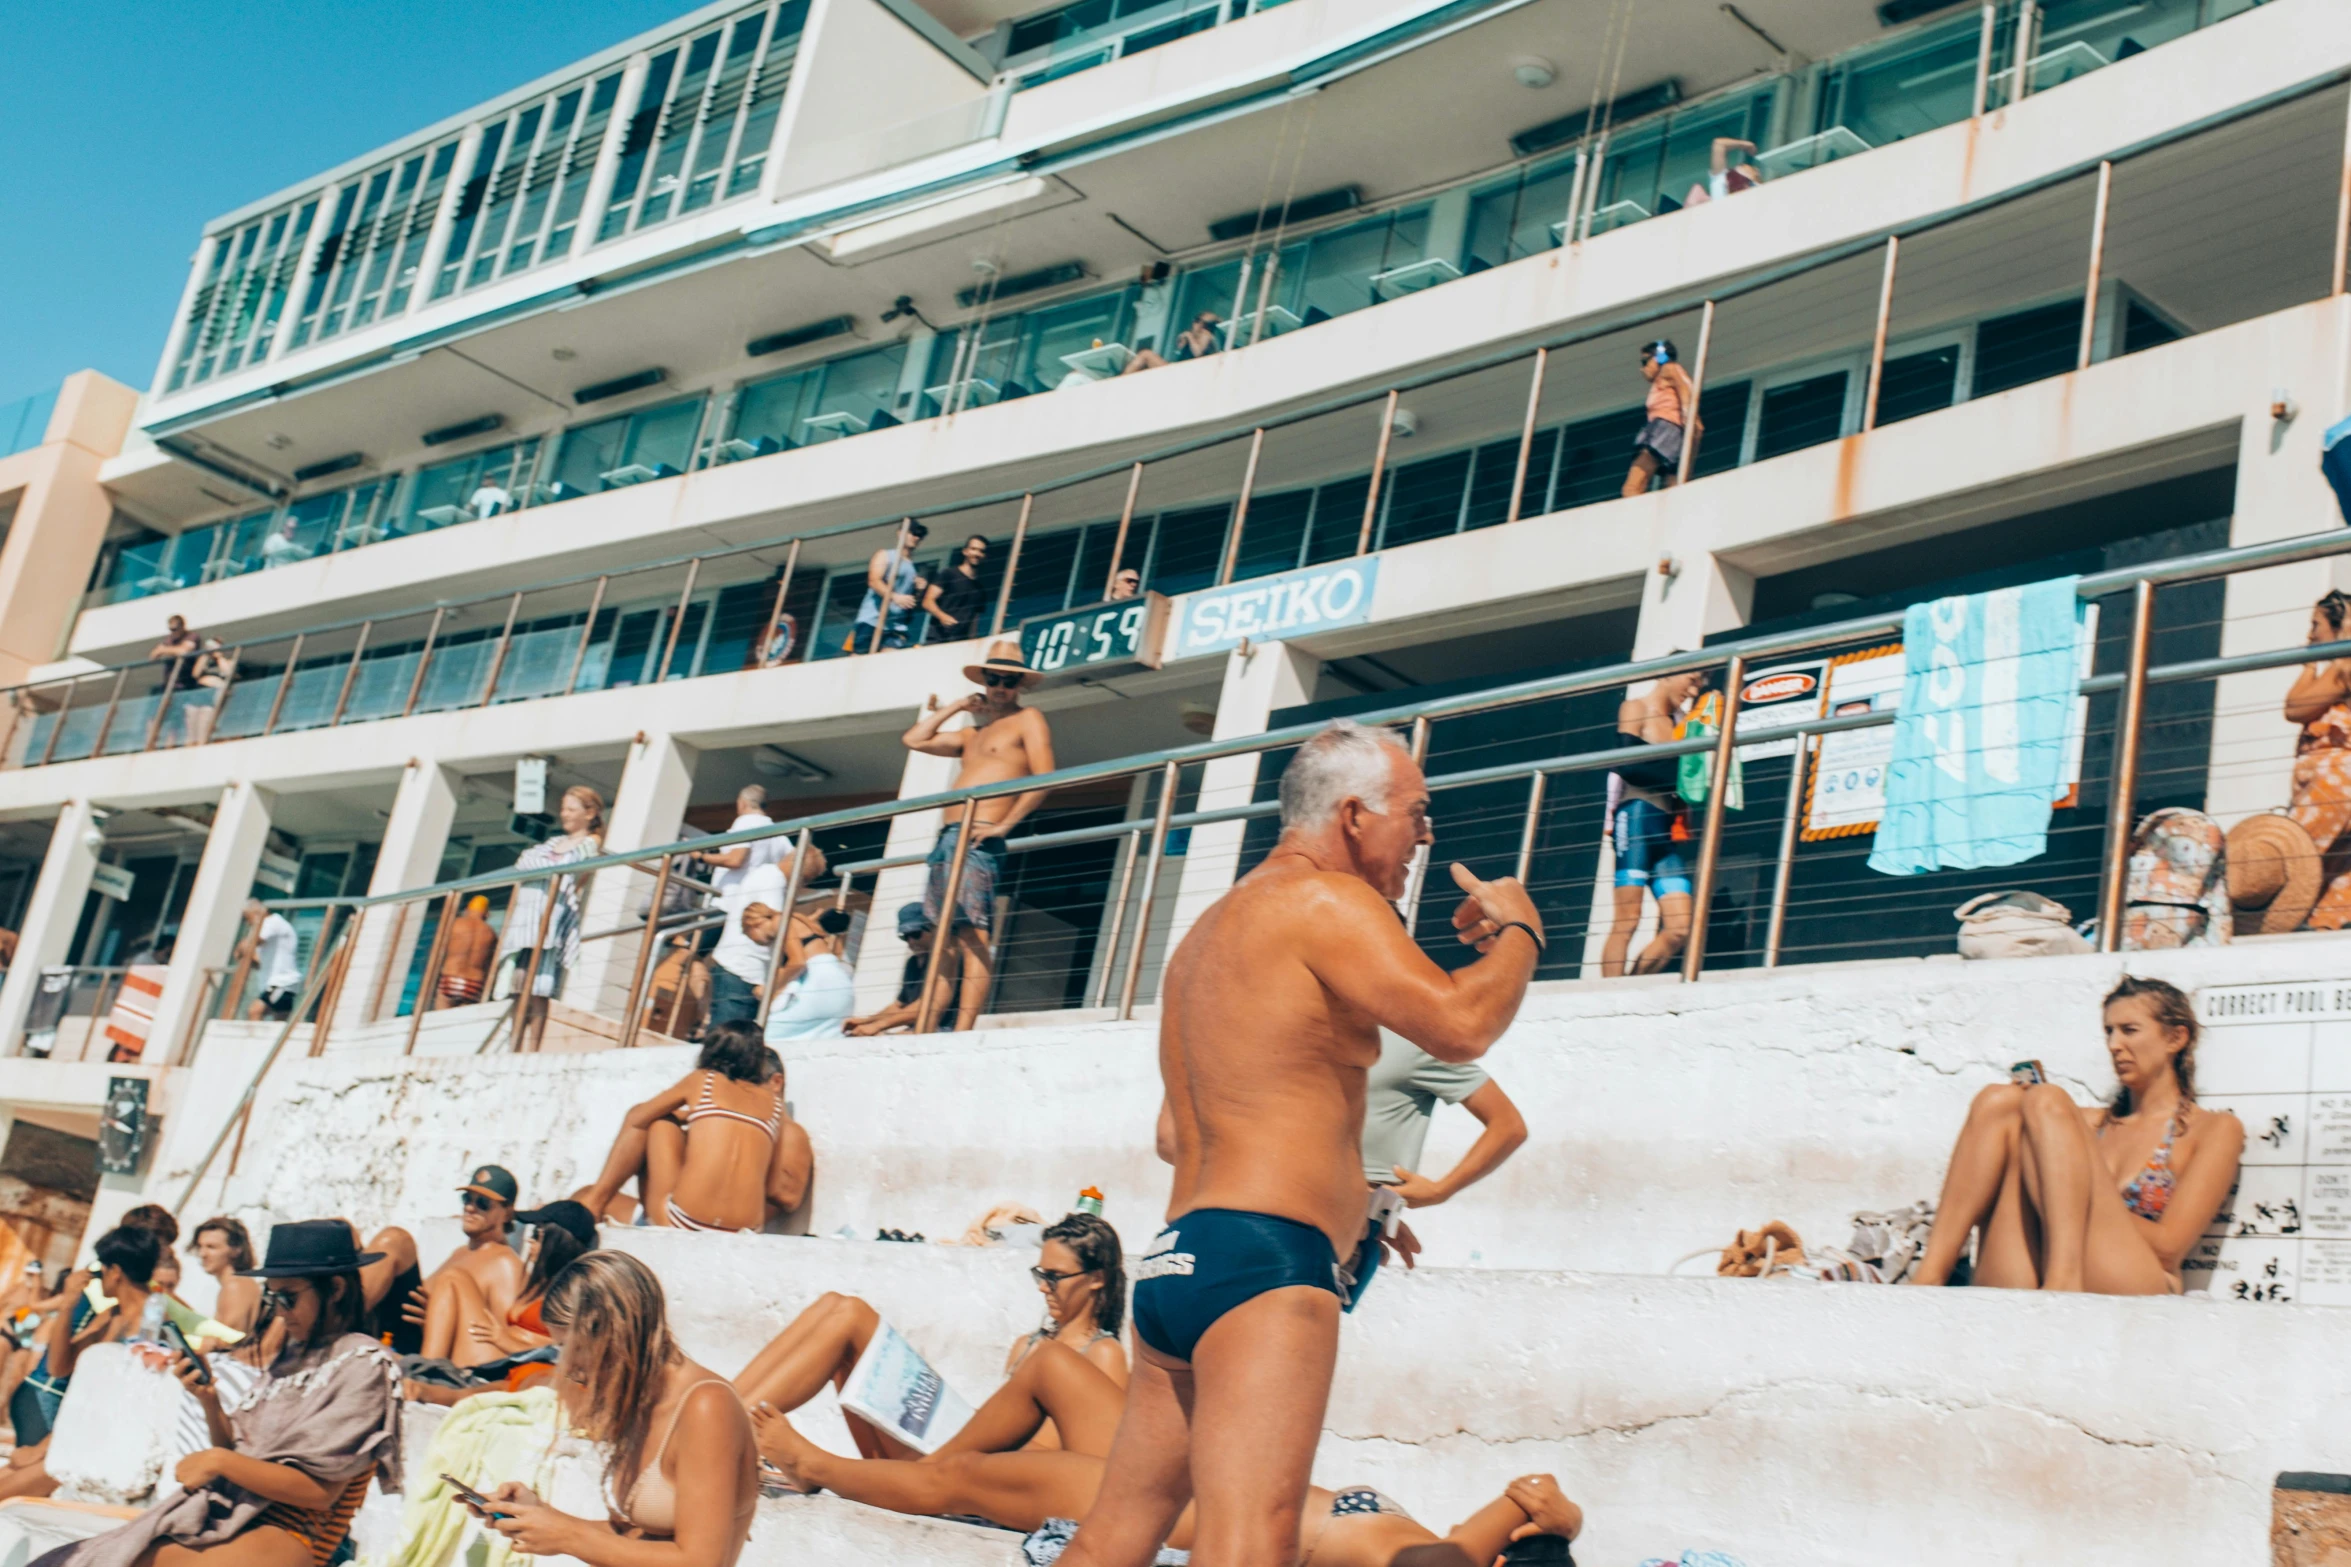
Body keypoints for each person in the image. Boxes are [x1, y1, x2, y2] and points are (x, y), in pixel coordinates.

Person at [1063, 719, 1540, 1567]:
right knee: (1250, 1543)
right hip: (1264, 1264)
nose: (1425, 836)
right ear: (1354, 814)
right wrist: (1519, 933)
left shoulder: (1206, 935)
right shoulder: (1329, 900)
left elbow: (1175, 1134)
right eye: (1417, 813)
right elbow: (1462, 1024)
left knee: (1113, 1533)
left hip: (1179, 1258)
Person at [758, 1390, 1583, 1567]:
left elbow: (1527, 1495)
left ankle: (813, 1462)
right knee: (1051, 1367)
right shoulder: (1460, 1553)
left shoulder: (1444, 1562)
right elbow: (1533, 1486)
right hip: (1210, 1468)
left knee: (969, 1480)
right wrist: (1565, 1517)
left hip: (1191, 1508)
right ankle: (886, 1467)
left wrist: (1554, 1518)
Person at [28, 1220, 405, 1567]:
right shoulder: (292, 1358)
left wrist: (219, 1464)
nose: (279, 1313)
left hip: (289, 1538)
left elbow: (318, 1491)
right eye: (272, 1300)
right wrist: (209, 1400)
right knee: (68, 1559)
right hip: (231, 1519)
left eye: (288, 1298)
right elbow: (238, 1450)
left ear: (335, 1289)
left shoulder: (364, 1364)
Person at [1910, 976, 2245, 1294]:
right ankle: (1929, 1276)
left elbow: (2170, 1247)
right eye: (2109, 1032)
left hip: (2144, 1279)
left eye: (2129, 1031)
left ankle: (2063, 1278)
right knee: (2000, 1101)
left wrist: (2076, 1197)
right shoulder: (2086, 1125)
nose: (2115, 1045)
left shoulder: (2214, 1129)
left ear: (2176, 1038)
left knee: (2046, 1099)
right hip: (2043, 1267)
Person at [735, 1211, 1126, 1459]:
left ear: (1095, 1280)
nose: (1043, 1288)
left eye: (1054, 1278)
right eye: (1040, 1275)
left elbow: (1096, 1461)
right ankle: (721, 1412)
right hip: (956, 1452)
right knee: (835, 1306)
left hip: (978, 1476)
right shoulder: (1026, 1346)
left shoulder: (1103, 1354)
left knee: (851, 1316)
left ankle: (721, 1431)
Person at [472, 1251, 757, 1567]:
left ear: (614, 1335)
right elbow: (643, 1538)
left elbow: (701, 1561)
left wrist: (567, 1536)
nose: (569, 1368)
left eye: (571, 1349)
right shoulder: (643, 1401)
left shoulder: (706, 1406)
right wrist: (542, 1518)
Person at [899, 643, 1058, 1030]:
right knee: (942, 941)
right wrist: (956, 707)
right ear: (983, 682)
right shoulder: (971, 734)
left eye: (1009, 680)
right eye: (994, 678)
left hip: (980, 840)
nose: (1001, 686)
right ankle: (926, 1027)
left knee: (973, 935)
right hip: (947, 839)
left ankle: (963, 1029)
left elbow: (1045, 779)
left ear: (1020, 684)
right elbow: (914, 740)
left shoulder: (1029, 719)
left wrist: (1005, 825)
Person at [577, 1021, 812, 1232]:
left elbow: (636, 1118)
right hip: (744, 1230)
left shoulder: (706, 1080)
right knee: (582, 1194)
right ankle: (591, 1201)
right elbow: (771, 1184)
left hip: (685, 1221)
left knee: (658, 1122)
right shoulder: (771, 1109)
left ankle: (594, 1204)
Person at [404, 1200, 596, 1386]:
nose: (530, 1240)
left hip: (508, 1365)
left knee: (453, 1278)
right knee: (454, 1279)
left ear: (558, 1241)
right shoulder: (540, 1285)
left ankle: (423, 1371)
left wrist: (504, 1341)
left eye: (537, 1234)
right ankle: (425, 1368)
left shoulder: (574, 1296)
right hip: (499, 1354)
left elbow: (563, 1353)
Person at [9, 1225, 161, 1448]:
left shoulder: (153, 1323)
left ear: (115, 1272)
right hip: (80, 1431)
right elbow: (59, 1366)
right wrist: (68, 1305)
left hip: (102, 1441)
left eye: (101, 1272)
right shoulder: (111, 1316)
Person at [1601, 666, 1709, 976]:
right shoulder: (1635, 707)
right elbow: (1628, 765)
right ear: (1668, 674)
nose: (1691, 693)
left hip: (1665, 827)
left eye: (1697, 687)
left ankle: (1632, 989)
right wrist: (1677, 776)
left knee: (1679, 928)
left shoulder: (1680, 724)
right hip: (1635, 817)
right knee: (1628, 919)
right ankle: (1609, 1000)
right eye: (1690, 682)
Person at [1364, 1030, 1528, 1218]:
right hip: (1333, 1211)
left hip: (1357, 1223)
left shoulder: (1414, 1044)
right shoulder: (1333, 1035)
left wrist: (1441, 1191)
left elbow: (1509, 1125)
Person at [497, 785, 604, 1050]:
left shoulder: (590, 842)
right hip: (529, 919)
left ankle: (532, 1047)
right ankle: (515, 1043)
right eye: (563, 809)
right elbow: (524, 861)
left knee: (541, 985)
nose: (564, 814)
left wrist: (542, 866)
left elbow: (565, 866)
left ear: (589, 813)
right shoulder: (555, 842)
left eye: (571, 809)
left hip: (552, 920)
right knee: (520, 982)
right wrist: (546, 866)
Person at [401, 1166, 528, 1360]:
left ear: (507, 1213)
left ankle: (424, 1373)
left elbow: (502, 1338)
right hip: (410, 1338)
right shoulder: (459, 1253)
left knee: (452, 1278)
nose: (470, 1208)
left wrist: (439, 1325)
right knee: (395, 1240)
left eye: (483, 1203)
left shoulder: (505, 1264)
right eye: (467, 1199)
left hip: (451, 1362)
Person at [2282, 588, 2351, 929]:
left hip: (2334, 784)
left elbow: (2295, 708)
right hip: (2332, 785)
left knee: (2292, 862)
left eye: (2316, 624)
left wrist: (2309, 661)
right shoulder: (2338, 669)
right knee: (2329, 878)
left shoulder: (2344, 668)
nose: (2310, 633)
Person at [706, 838, 826, 1027]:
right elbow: (777, 922)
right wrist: (807, 925)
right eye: (806, 878)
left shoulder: (766, 875)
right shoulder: (774, 881)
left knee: (729, 1035)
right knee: (728, 1037)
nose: (803, 885)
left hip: (740, 967)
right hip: (743, 969)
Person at [847, 905, 957, 1036]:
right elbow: (899, 1005)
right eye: (905, 936)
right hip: (916, 1029)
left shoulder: (945, 960)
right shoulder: (912, 964)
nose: (910, 941)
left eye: (916, 934)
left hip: (944, 1030)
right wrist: (866, 1021)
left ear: (932, 930)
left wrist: (877, 1025)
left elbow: (926, 1005)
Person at [1621, 339, 1701, 497]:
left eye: (1645, 361)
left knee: (1632, 487)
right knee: (1671, 491)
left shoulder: (1669, 369)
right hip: (1673, 433)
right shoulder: (1664, 377)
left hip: (1663, 429)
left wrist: (1687, 412)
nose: (1642, 369)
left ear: (1659, 357)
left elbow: (1686, 389)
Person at [765, 907, 858, 1041]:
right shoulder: (825, 941)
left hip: (819, 987)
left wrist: (769, 989)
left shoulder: (784, 921)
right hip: (841, 993)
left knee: (769, 1036)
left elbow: (797, 963)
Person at [695, 785, 783, 898]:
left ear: (743, 803)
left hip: (730, 897)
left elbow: (735, 860)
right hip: (754, 900)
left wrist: (701, 857)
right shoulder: (774, 828)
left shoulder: (745, 822)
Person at [855, 522, 929, 653]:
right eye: (913, 533)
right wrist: (895, 597)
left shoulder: (913, 569)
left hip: (896, 626)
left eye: (920, 535)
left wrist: (919, 591)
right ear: (900, 533)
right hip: (873, 620)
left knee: (889, 662)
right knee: (860, 661)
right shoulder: (885, 555)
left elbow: (910, 604)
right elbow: (874, 581)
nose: (916, 537)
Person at [189, 1217, 262, 1335]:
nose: (202, 1254)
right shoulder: (236, 1283)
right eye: (200, 1247)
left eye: (211, 1247)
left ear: (236, 1250)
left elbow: (226, 1341)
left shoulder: (236, 1285)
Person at [241, 900, 303, 1021]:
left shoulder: (272, 922)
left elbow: (254, 942)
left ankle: (255, 1040)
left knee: (254, 1011)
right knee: (279, 1021)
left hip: (281, 982)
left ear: (255, 913)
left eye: (247, 918)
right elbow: (257, 962)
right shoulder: (266, 929)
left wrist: (243, 945)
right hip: (278, 983)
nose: (248, 923)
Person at [922, 536, 993, 642]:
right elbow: (927, 601)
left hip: (961, 643)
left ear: (985, 556)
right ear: (965, 551)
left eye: (981, 551)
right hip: (938, 638)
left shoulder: (980, 590)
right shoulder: (948, 574)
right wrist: (942, 616)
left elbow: (975, 620)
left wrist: (972, 641)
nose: (977, 554)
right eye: (973, 549)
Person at [436, 894, 498, 1006]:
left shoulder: (456, 924)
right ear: (486, 914)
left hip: (451, 976)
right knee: (463, 1020)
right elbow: (490, 964)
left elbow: (440, 951)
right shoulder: (490, 933)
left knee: (440, 1016)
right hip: (474, 982)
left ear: (467, 910)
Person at [1121, 312, 1222, 375]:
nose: (1198, 325)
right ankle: (1124, 378)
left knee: (1146, 355)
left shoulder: (1206, 335)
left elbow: (1198, 353)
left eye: (1205, 324)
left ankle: (1123, 379)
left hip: (1187, 373)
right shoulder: (1194, 338)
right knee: (1145, 356)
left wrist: (1189, 336)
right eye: (1197, 320)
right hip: (1181, 370)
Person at [1685, 136, 1761, 205]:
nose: (1737, 168)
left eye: (1743, 165)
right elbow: (1719, 144)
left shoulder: (1763, 190)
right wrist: (1745, 144)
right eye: (1733, 173)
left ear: (1756, 173)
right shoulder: (1720, 188)